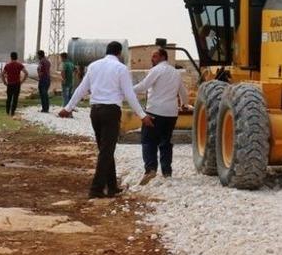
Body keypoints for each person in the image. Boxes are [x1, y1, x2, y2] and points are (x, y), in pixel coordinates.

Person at [59, 41, 154, 199]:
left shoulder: (93, 66)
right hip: (110, 111)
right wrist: (142, 116)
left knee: (105, 150)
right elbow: (129, 94)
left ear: (107, 51)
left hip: (95, 111)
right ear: (119, 53)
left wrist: (68, 108)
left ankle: (111, 187)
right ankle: (96, 189)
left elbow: (82, 88)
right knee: (106, 151)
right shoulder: (121, 69)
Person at [133, 48, 189, 184]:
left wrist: (127, 90)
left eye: (155, 56)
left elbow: (144, 86)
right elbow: (183, 92)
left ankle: (151, 168)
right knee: (165, 141)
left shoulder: (156, 70)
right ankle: (167, 172)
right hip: (171, 113)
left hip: (155, 111)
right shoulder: (175, 72)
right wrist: (184, 104)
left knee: (148, 141)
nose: (152, 58)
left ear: (163, 57)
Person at [1, 52, 28, 116]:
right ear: (17, 57)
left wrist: (4, 82)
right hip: (17, 84)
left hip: (10, 84)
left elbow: (2, 74)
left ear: (11, 57)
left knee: (9, 98)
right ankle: (12, 112)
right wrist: (22, 81)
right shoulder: (19, 65)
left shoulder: (7, 65)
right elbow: (26, 73)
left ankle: (7, 112)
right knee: (15, 99)